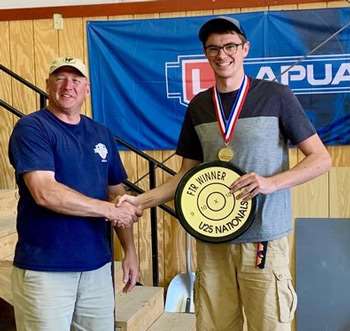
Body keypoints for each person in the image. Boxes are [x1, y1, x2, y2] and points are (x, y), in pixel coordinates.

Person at [118, 16, 332, 331]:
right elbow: (185, 176)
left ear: (245, 48)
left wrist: (270, 182)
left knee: (270, 325)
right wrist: (140, 201)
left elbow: (320, 159)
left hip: (263, 240)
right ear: (206, 54)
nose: (222, 54)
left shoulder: (276, 95)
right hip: (213, 240)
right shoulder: (199, 106)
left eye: (230, 45)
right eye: (213, 48)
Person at [8, 56, 140, 331]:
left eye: (76, 79)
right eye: (60, 78)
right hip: (46, 269)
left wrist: (130, 251)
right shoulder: (32, 128)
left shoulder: (101, 133)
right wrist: (109, 210)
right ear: (47, 85)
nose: (68, 86)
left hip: (97, 267)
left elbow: (117, 194)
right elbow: (45, 192)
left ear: (87, 89)